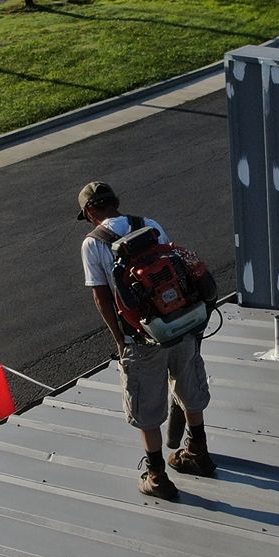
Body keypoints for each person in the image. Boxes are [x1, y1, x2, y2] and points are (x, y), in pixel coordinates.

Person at [75, 180, 215, 501]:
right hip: (180, 323)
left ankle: (156, 476)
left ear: (90, 212)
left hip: (141, 335)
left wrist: (120, 340)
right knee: (189, 385)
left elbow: (101, 297)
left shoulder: (92, 243)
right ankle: (198, 451)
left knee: (147, 407)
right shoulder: (150, 225)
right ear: (115, 202)